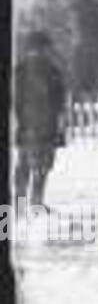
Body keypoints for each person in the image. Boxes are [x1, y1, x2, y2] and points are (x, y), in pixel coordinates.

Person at [13, 31, 66, 208]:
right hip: (46, 125)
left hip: (26, 124)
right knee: (41, 166)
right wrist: (60, 125)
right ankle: (36, 203)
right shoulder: (53, 70)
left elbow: (16, 98)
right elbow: (60, 102)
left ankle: (21, 204)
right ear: (45, 48)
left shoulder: (19, 69)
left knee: (24, 166)